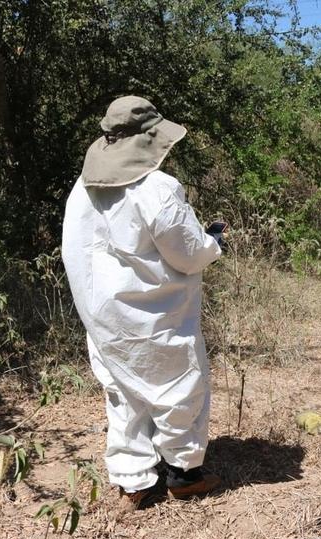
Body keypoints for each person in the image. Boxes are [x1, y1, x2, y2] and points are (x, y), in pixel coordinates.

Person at [61, 96, 223, 510]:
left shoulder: (83, 188)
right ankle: (184, 475)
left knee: (123, 391)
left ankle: (133, 482)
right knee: (180, 387)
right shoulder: (158, 189)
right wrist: (213, 243)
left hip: (103, 317)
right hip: (157, 314)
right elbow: (187, 253)